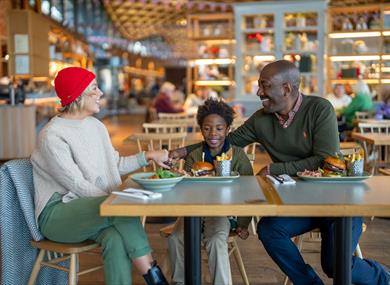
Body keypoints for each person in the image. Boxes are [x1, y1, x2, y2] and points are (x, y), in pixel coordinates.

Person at [169, 60, 390, 284]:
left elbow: (325, 161)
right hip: (301, 203)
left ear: (286, 88)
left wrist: (276, 168)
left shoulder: (319, 109)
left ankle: (382, 277)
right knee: (269, 230)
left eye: (264, 86)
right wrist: (183, 151)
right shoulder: (261, 120)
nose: (258, 92)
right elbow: (224, 142)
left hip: (340, 201)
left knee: (335, 265)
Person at [31, 67, 170, 285]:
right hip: (59, 214)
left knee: (114, 239)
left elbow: (116, 164)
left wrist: (149, 156)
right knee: (122, 209)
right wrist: (116, 200)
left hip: (91, 208)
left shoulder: (96, 126)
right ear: (77, 95)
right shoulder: (52, 135)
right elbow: (77, 184)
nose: (101, 93)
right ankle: (156, 279)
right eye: (94, 88)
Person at [168, 98, 253, 285]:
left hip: (222, 211)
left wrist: (244, 223)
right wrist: (179, 176)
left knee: (215, 240)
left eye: (219, 128)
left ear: (228, 129)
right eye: (207, 128)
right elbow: (186, 190)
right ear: (201, 130)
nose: (213, 133)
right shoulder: (195, 155)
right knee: (175, 238)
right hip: (193, 210)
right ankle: (180, 282)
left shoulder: (238, 155)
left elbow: (249, 190)